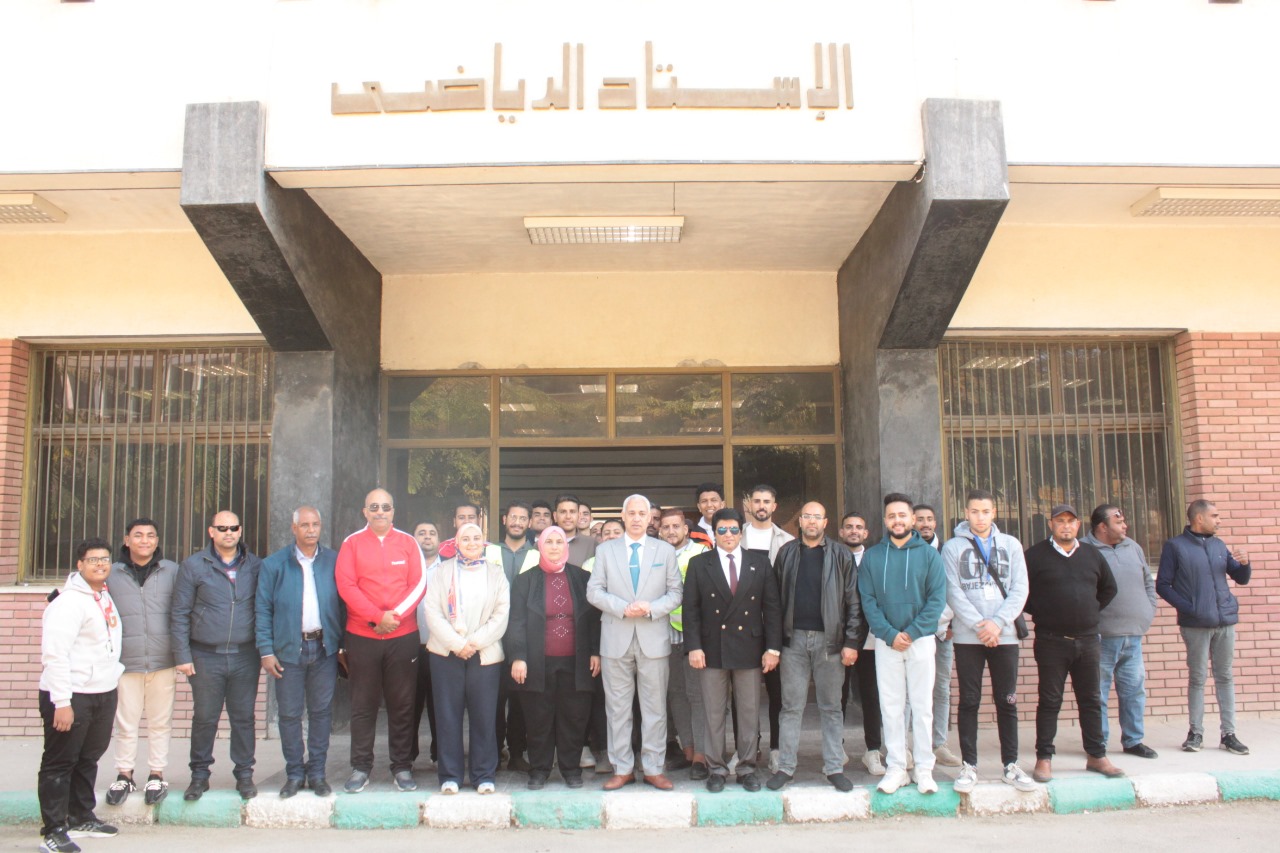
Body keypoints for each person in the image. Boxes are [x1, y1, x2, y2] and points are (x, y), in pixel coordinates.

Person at [586, 494, 683, 790]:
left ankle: (653, 768)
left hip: (653, 637)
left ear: (649, 518)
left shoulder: (664, 550)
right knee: (617, 709)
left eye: (643, 513)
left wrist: (651, 608)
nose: (638, 518)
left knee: (655, 708)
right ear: (623, 516)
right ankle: (622, 768)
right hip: (616, 636)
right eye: (632, 513)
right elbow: (594, 591)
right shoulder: (606, 550)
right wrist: (621, 607)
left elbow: (676, 592)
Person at [942, 489, 1035, 793]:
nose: (980, 517)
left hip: (1004, 635)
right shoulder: (953, 547)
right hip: (968, 637)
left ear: (994, 513)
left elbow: (1020, 588)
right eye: (974, 511)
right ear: (965, 513)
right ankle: (969, 765)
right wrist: (979, 625)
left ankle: (1011, 764)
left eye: (985, 511)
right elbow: (952, 590)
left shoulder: (1011, 544)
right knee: (969, 700)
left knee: (1007, 700)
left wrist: (997, 623)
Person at [335, 489, 428, 793]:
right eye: (374, 507)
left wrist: (393, 617)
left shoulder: (408, 543)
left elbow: (419, 585)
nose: (380, 512)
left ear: (393, 511)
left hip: (402, 636)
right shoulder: (351, 544)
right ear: (365, 512)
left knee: (402, 704)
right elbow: (346, 586)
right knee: (363, 704)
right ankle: (361, 767)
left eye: (385, 507)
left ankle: (401, 767)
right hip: (363, 636)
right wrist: (376, 617)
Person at [684, 508, 782, 793]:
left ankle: (747, 768)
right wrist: (694, 647)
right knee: (713, 712)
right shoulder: (699, 564)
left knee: (749, 712)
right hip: (711, 648)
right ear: (714, 533)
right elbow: (691, 610)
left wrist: (772, 648)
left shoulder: (759, 563)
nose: (728, 535)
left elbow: (772, 608)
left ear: (741, 532)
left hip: (749, 647)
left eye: (734, 530)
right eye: (722, 530)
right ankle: (716, 769)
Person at [1024, 504, 1122, 782]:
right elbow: (1021, 592)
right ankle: (1044, 758)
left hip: (1088, 640)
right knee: (1049, 700)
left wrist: (1089, 611)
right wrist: (1045, 612)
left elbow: (1109, 588)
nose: (1065, 526)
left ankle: (1097, 755)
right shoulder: (1035, 556)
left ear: (1078, 525)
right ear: (1051, 525)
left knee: (1091, 699)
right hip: (1051, 641)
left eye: (1070, 521)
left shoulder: (1092, 554)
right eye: (1060, 521)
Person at [38, 537, 124, 853]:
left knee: (88, 758)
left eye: (105, 559)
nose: (100, 564)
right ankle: (53, 829)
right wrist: (62, 702)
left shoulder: (102, 594)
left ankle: (80, 816)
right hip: (71, 694)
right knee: (60, 762)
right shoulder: (68, 603)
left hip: (102, 691)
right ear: (79, 564)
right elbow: (55, 654)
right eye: (93, 560)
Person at [768, 502, 862, 792]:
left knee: (831, 707)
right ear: (800, 521)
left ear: (825, 522)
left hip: (830, 642)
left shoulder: (841, 554)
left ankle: (834, 767)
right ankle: (785, 767)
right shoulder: (786, 553)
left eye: (816, 517)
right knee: (790, 707)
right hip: (793, 641)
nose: (811, 521)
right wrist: (774, 644)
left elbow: (853, 602)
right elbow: (774, 602)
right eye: (806, 516)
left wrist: (851, 641)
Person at [859, 493, 947, 795]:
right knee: (891, 707)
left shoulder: (930, 556)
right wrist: (889, 634)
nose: (897, 520)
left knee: (922, 707)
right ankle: (896, 767)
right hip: (887, 643)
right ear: (885, 521)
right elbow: (868, 601)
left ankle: (924, 768)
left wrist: (911, 632)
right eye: (891, 516)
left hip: (920, 641)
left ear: (912, 519)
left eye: (902, 515)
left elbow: (937, 599)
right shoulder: (873, 557)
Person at [171, 510, 262, 801]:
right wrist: (182, 655)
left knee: (243, 718)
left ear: (240, 530)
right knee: (205, 717)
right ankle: (199, 776)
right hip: (205, 655)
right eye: (222, 528)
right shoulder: (193, 566)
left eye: (233, 528)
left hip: (245, 655)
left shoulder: (255, 565)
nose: (228, 533)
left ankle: (244, 774)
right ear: (211, 532)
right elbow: (180, 613)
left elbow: (265, 608)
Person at [255, 506, 345, 798]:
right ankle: (294, 773)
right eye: (304, 525)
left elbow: (344, 604)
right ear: (294, 528)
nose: (311, 530)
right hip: (287, 650)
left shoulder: (334, 561)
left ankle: (317, 773)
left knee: (321, 713)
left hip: (324, 649)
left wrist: (343, 645)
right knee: (290, 715)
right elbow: (262, 609)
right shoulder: (274, 564)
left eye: (315, 524)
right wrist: (266, 650)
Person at [507, 526, 601, 789]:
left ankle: (571, 770)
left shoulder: (582, 578)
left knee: (574, 716)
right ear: (540, 546)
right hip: (537, 662)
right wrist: (518, 656)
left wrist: (595, 651)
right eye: (549, 542)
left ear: (566, 546)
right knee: (539, 718)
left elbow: (594, 620)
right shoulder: (525, 581)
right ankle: (539, 769)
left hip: (576, 661)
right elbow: (516, 621)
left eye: (559, 542)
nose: (555, 547)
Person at [1156, 499, 1252, 756]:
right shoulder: (1175, 546)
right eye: (1215, 516)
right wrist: (1190, 608)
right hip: (1196, 624)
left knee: (1225, 676)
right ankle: (1195, 733)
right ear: (1199, 518)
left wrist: (1245, 564)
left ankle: (1229, 734)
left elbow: (1240, 578)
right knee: (1198, 678)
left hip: (1225, 621)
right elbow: (1162, 585)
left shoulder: (1219, 545)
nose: (1219, 520)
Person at [423, 523, 511, 794]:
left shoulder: (496, 573)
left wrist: (473, 643)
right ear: (456, 542)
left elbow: (501, 614)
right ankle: (450, 776)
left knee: (484, 716)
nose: (472, 543)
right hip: (446, 653)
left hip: (484, 654)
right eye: (466, 538)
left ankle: (483, 775)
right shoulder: (442, 572)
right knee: (447, 716)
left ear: (483, 542)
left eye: (476, 538)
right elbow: (432, 612)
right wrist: (457, 644)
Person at [104, 518, 179, 808]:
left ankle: (156, 774)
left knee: (160, 722)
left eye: (150, 535)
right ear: (127, 540)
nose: (144, 540)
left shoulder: (172, 571)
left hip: (163, 660)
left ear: (157, 541)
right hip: (126, 662)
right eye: (138, 535)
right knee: (126, 722)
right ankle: (124, 774)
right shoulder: (112, 573)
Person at [1083, 504, 1159, 759]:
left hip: (1133, 635)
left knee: (1134, 691)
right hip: (1101, 637)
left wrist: (1148, 611)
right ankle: (1098, 743)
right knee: (1098, 693)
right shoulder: (1084, 550)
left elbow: (1148, 582)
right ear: (1102, 527)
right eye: (1119, 522)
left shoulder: (1133, 547)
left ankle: (1133, 740)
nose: (1125, 525)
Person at [742, 484, 794, 772]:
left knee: (778, 693)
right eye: (757, 500)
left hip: (775, 626)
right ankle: (748, 749)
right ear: (749, 505)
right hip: (742, 627)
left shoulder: (788, 542)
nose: (761, 505)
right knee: (743, 696)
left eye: (766, 501)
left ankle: (776, 749)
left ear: (774, 506)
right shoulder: (735, 536)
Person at [658, 507, 711, 777]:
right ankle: (687, 748)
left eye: (676, 526)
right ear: (659, 531)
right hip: (663, 634)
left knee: (697, 695)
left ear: (686, 529)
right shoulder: (655, 555)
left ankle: (701, 753)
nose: (671, 531)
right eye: (666, 527)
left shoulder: (701, 553)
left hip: (694, 635)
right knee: (676, 693)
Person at [914, 503, 959, 768]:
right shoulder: (907, 551)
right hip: (916, 631)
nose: (925, 524)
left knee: (941, 688)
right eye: (920, 519)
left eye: (930, 519)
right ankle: (909, 745)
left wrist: (950, 621)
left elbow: (955, 590)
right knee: (911, 690)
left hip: (943, 632)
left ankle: (939, 743)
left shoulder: (947, 551)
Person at [839, 511, 883, 776]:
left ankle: (873, 750)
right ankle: (837, 747)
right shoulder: (832, 556)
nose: (854, 530)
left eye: (859, 527)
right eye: (849, 527)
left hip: (872, 639)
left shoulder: (876, 558)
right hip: (840, 639)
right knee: (838, 696)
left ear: (866, 533)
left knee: (871, 695)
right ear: (841, 532)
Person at [495, 502, 533, 772]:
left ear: (529, 523)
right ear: (504, 520)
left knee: (521, 699)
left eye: (523, 518)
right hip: (493, 637)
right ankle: (494, 751)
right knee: (493, 699)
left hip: (526, 637)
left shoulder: (538, 554)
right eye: (513, 517)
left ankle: (517, 752)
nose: (517, 522)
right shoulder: (488, 551)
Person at [410, 521, 442, 767]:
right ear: (413, 539)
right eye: (421, 533)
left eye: (432, 533)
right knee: (409, 705)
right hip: (410, 647)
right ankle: (406, 757)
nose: (427, 537)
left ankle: (440, 754)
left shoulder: (449, 568)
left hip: (440, 648)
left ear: (439, 540)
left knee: (440, 705)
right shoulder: (406, 567)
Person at [554, 494, 598, 568]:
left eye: (572, 512)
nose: (568, 516)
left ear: (578, 515)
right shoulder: (542, 543)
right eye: (563, 512)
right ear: (555, 516)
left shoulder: (592, 544)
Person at [692, 483, 725, 548]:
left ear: (722, 505)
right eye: (704, 501)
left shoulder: (733, 531)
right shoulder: (692, 536)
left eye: (714, 500)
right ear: (699, 507)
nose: (709, 505)